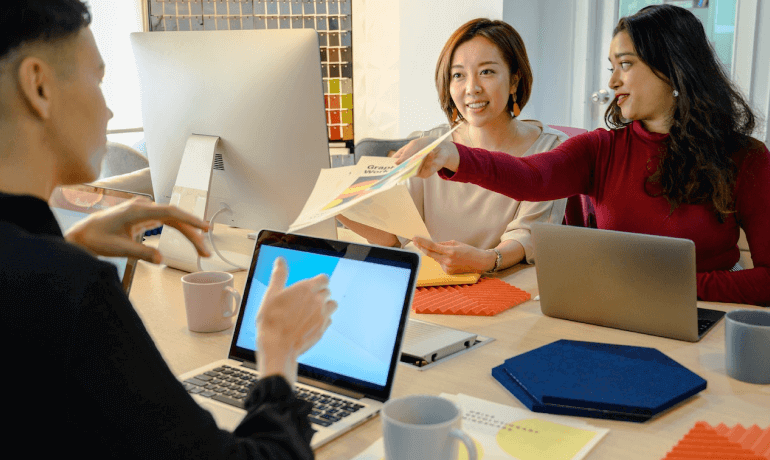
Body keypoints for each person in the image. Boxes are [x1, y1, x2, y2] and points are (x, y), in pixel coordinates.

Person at [0, 1, 336, 458]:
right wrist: (277, 357)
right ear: (38, 86)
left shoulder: (40, 276)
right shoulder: (71, 289)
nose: (109, 110)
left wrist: (65, 247)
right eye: (98, 79)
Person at [394, 5, 769, 306]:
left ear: (673, 68)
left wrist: (679, 287)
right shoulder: (600, 149)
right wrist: (454, 156)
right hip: (616, 307)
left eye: (626, 65)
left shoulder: (746, 158)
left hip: (706, 311)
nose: (612, 82)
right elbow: (531, 177)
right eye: (611, 67)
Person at [340, 18, 567, 275]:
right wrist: (334, 208)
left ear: (515, 80)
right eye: (458, 75)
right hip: (432, 285)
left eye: (487, 72)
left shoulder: (552, 150)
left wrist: (486, 260)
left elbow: (528, 236)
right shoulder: (430, 146)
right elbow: (393, 235)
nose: (472, 88)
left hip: (504, 281)